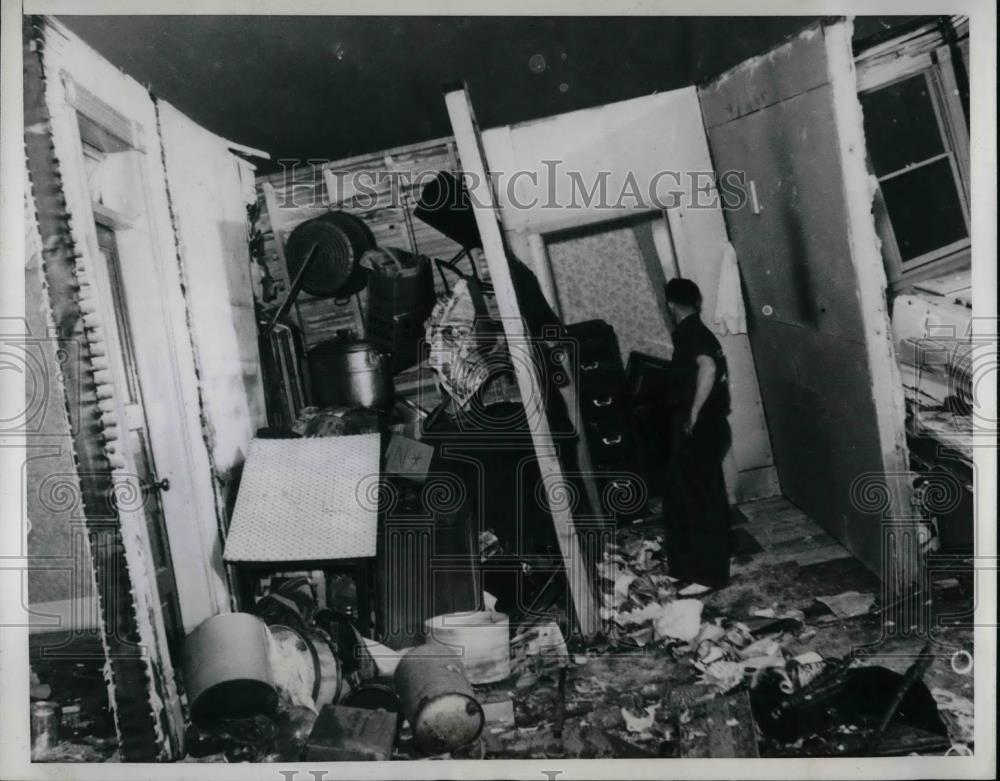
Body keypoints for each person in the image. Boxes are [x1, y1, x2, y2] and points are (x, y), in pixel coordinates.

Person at [661, 278, 732, 593]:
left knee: (703, 500)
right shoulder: (695, 331)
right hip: (704, 428)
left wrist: (693, 412)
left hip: (701, 428)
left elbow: (708, 369)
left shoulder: (691, 332)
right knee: (681, 495)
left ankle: (708, 576)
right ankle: (685, 568)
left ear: (670, 304)